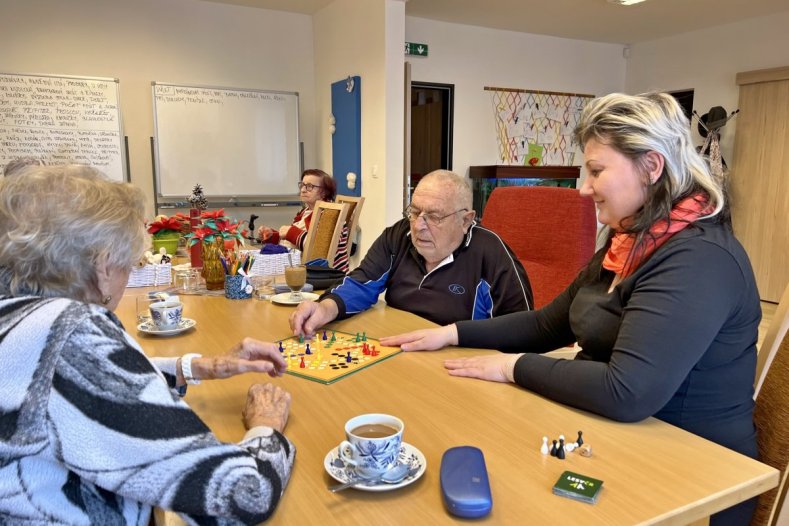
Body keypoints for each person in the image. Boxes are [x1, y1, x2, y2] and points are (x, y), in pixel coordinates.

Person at [381, 93, 761, 525]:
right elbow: (549, 324)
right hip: (620, 439)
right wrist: (452, 333)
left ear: (651, 167)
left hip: (691, 474)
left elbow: (627, 391)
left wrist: (512, 367)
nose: (583, 188)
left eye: (596, 171)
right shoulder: (628, 240)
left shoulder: (698, 258)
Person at [0, 165, 295, 524]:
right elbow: (239, 497)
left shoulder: (17, 314)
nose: (129, 274)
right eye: (130, 263)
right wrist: (266, 427)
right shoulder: (70, 331)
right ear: (103, 265)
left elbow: (75, 387)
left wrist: (199, 367)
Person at [290, 169, 533, 337]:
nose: (418, 226)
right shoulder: (399, 235)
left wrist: (454, 337)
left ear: (465, 220)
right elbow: (363, 281)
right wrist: (325, 308)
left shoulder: (491, 254)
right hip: (400, 348)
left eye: (435, 216)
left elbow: (522, 330)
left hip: (462, 364)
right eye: (415, 212)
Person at [257, 168, 350, 271]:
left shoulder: (330, 214)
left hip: (322, 275)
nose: (303, 190)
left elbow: (319, 251)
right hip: (301, 268)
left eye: (310, 186)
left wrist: (291, 233)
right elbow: (293, 242)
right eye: (302, 185)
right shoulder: (305, 211)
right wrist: (272, 236)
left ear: (324, 192)